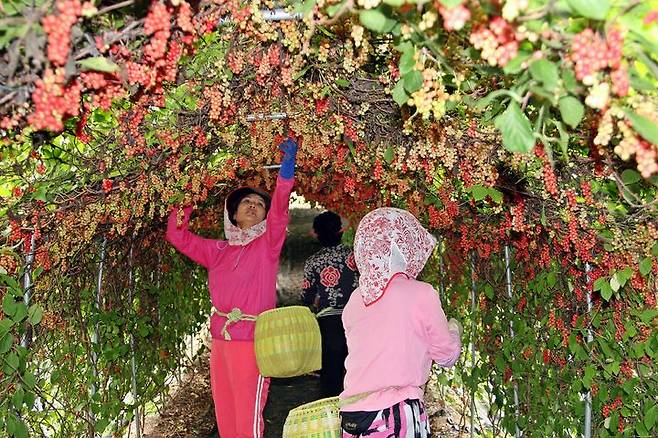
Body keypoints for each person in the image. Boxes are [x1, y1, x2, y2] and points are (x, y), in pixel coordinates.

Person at [165, 138, 298, 438]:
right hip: (221, 340)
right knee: (225, 415)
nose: (253, 206)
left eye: (259, 205)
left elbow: (280, 212)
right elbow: (177, 235)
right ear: (234, 215)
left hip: (252, 341)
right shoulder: (218, 250)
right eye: (246, 204)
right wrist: (187, 195)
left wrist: (286, 174)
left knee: (247, 420)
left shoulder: (267, 246)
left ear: (264, 217)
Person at [339, 207, 462, 437]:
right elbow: (446, 355)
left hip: (352, 414)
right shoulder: (421, 294)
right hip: (395, 413)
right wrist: (455, 329)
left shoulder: (355, 300)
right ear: (405, 247)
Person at [301, 211, 359, 397]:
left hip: (329, 322)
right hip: (358, 318)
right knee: (358, 369)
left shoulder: (313, 262)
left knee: (331, 373)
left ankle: (332, 415)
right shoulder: (355, 255)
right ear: (341, 231)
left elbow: (306, 297)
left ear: (316, 235)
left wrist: (316, 299)